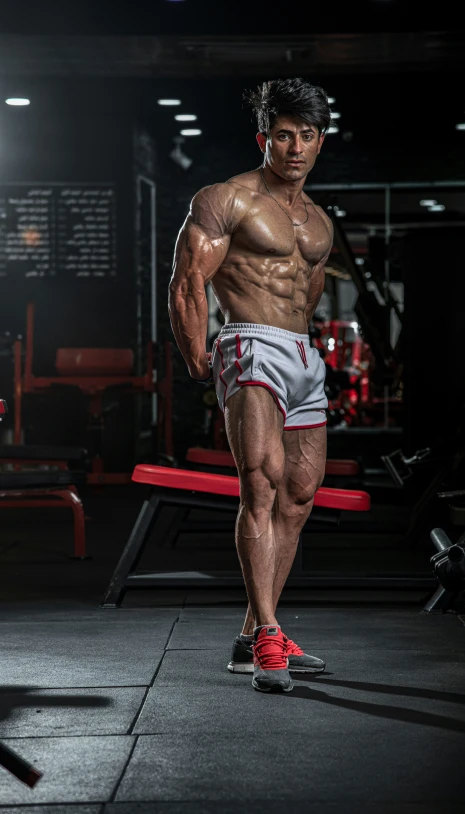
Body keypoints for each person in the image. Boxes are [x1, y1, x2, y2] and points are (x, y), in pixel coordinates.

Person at [169, 77, 333, 693]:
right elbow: (189, 281)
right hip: (248, 340)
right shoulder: (226, 199)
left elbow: (308, 301)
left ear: (321, 142)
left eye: (307, 136)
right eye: (283, 135)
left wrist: (307, 356)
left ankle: (251, 635)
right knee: (259, 484)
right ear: (265, 138)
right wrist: (196, 357)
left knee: (298, 494)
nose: (295, 147)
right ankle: (269, 634)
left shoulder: (319, 224)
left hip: (300, 354)